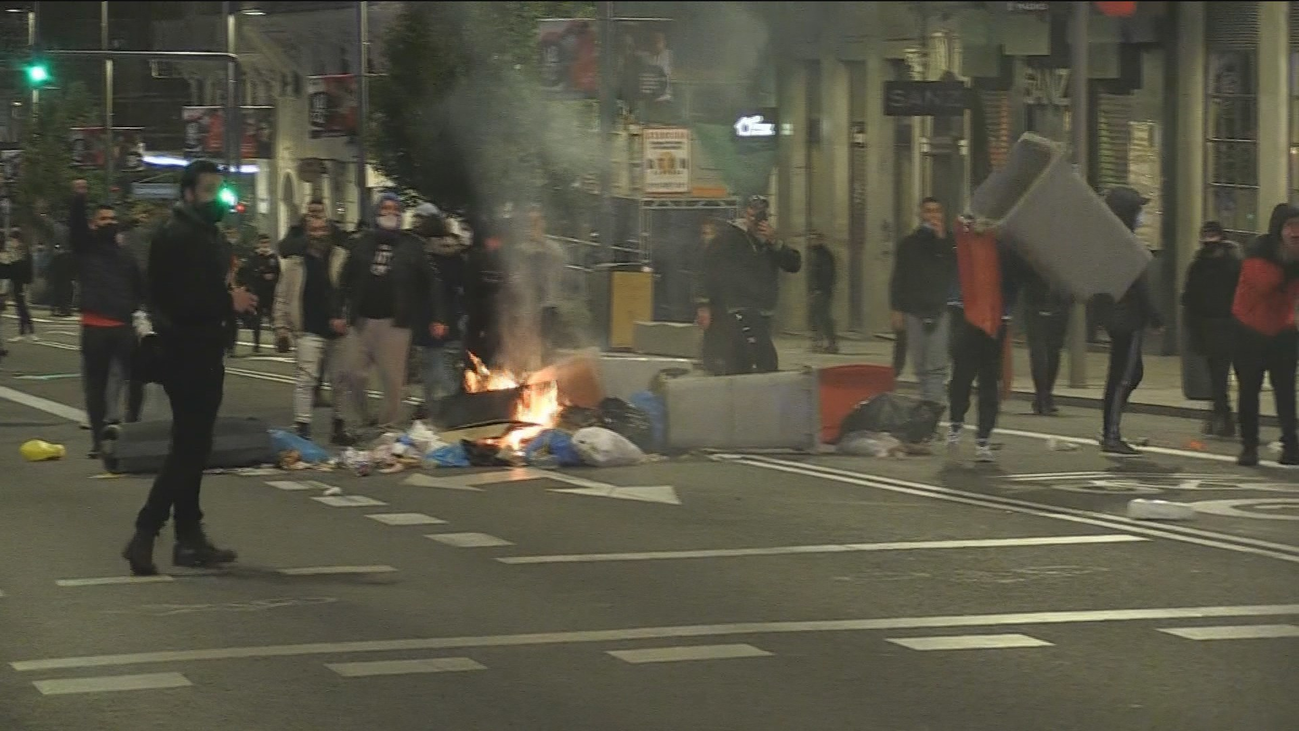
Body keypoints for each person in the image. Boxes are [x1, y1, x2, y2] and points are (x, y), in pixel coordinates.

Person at [122, 159, 258, 576]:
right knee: (189, 448)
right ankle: (146, 532)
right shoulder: (182, 235)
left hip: (199, 348)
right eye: (208, 189)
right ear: (188, 193)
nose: (216, 196)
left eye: (219, 188)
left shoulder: (200, 232)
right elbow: (181, 300)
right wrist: (227, 302)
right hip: (187, 350)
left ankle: (188, 537)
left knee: (192, 445)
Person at [336, 192, 443, 429]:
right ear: (376, 213)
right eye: (385, 208)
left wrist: (438, 317)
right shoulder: (362, 243)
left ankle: (387, 426)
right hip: (362, 319)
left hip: (395, 323)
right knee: (352, 373)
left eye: (395, 209)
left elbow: (432, 281)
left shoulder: (412, 246)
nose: (390, 213)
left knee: (393, 382)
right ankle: (363, 417)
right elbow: (345, 279)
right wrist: (338, 312)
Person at [68, 179, 146, 459]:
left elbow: (141, 287)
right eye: (103, 218)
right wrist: (79, 198)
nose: (108, 222)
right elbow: (76, 227)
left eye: (112, 218)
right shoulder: (85, 248)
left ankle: (132, 429)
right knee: (96, 386)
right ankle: (98, 440)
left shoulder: (126, 256)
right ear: (94, 223)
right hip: (95, 326)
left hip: (123, 326)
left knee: (137, 378)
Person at [694, 195, 802, 374]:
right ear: (745, 214)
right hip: (736, 307)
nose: (756, 221)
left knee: (754, 358)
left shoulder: (769, 242)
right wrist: (703, 304)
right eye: (752, 215)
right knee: (757, 358)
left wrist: (775, 242)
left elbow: (793, 264)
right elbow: (706, 270)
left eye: (760, 216)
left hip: (762, 308)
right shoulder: (727, 239)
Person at [945, 222, 1025, 463]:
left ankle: (983, 438)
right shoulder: (964, 244)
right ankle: (956, 423)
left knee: (990, 379)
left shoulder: (1010, 249)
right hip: (966, 315)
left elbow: (1017, 280)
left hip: (996, 318)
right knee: (962, 375)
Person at [1097, 186, 1163, 457]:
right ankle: (1110, 432)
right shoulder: (1123, 243)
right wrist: (1156, 317)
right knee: (1124, 376)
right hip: (1127, 317)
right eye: (1138, 210)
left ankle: (1111, 429)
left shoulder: (1111, 240)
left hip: (1119, 316)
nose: (1141, 216)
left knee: (1128, 373)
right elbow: (1139, 286)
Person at [1232, 203, 1299, 467]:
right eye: (1290, 226)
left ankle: (1291, 444)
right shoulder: (1258, 251)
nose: (1296, 232)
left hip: (1282, 330)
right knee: (1249, 389)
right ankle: (1249, 446)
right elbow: (1265, 284)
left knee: (1285, 390)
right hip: (1250, 328)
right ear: (1278, 229)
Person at [274, 215, 351, 442]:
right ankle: (303, 427)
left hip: (339, 330)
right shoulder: (295, 264)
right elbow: (282, 297)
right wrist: (281, 328)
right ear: (307, 233)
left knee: (341, 381)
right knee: (305, 380)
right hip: (307, 328)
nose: (318, 234)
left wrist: (347, 318)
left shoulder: (342, 258)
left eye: (322, 229)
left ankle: (339, 427)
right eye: (314, 230)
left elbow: (353, 291)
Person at [890, 197, 957, 407]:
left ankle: (931, 411)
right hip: (913, 310)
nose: (932, 216)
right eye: (928, 211)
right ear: (920, 214)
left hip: (940, 309)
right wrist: (896, 309)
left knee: (936, 366)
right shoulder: (908, 244)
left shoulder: (951, 242)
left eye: (937, 211)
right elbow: (898, 277)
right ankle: (927, 407)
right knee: (920, 365)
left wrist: (941, 238)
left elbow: (956, 268)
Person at [1181, 221, 1241, 438]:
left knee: (1220, 375)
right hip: (1215, 326)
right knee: (1218, 375)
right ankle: (1222, 415)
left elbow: (1189, 298)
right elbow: (1190, 299)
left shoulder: (1219, 264)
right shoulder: (1224, 263)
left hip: (1224, 325)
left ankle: (1221, 415)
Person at [411, 202, 469, 417]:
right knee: (433, 362)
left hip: (431, 316)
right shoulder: (456, 256)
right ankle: (432, 404)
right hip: (449, 315)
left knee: (434, 363)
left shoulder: (426, 255)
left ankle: (453, 404)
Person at [1021, 266, 1071, 415]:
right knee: (1051, 350)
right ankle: (1046, 395)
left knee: (1040, 351)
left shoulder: (1033, 251)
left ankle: (1042, 396)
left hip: (1037, 301)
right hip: (1056, 301)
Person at [240, 234, 281, 353]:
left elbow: (279, 272)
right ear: (258, 243)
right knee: (256, 319)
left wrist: (273, 277)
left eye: (267, 243)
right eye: (263, 243)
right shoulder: (253, 257)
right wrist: (260, 275)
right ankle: (256, 344)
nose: (265, 245)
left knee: (274, 318)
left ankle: (278, 342)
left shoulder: (273, 257)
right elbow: (248, 273)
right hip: (257, 292)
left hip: (271, 291)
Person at [806, 230, 838, 354]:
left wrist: (820, 289)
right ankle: (819, 342)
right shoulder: (814, 253)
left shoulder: (824, 255)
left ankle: (831, 343)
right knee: (815, 316)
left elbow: (826, 274)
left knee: (823, 317)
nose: (811, 241)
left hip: (822, 290)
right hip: (817, 290)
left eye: (814, 238)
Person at [5, 233, 36, 341]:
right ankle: (23, 332)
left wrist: (27, 283)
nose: (11, 243)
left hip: (22, 283)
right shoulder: (13, 254)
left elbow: (28, 269)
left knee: (22, 307)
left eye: (13, 240)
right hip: (16, 282)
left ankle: (29, 331)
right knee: (20, 307)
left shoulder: (24, 254)